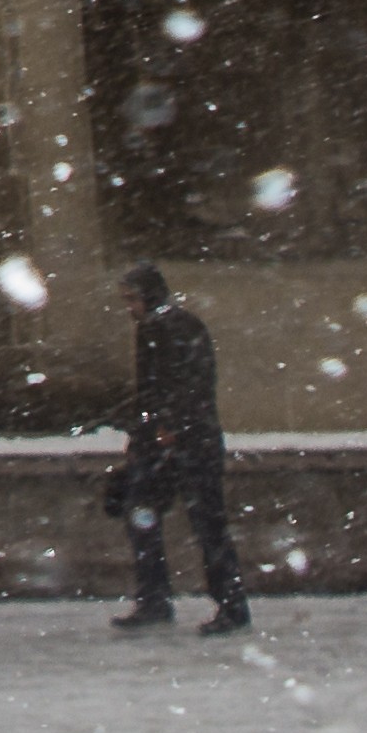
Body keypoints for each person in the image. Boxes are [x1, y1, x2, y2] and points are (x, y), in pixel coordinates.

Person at [109, 262, 247, 636]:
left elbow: (185, 386)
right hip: (176, 442)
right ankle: (168, 599)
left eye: (132, 298)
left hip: (185, 443)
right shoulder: (162, 327)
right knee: (172, 517)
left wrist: (168, 427)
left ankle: (220, 604)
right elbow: (159, 390)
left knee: (200, 524)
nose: (129, 307)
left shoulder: (173, 328)